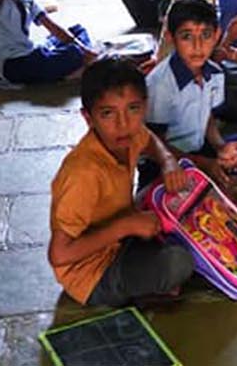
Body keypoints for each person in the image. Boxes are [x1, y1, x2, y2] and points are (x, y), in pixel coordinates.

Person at [48, 58, 195, 307]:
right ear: (88, 118)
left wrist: (168, 160)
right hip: (92, 273)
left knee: (176, 197)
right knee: (178, 262)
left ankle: (148, 268)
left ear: (144, 107)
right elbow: (59, 254)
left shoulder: (130, 134)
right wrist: (125, 227)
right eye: (108, 113)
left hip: (122, 234)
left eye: (133, 109)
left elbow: (149, 140)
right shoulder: (82, 174)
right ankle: (143, 289)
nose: (123, 124)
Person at [145, 0, 237, 209]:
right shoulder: (160, 84)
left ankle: (222, 187)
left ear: (216, 35)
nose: (198, 46)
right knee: (166, 193)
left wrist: (221, 147)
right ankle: (226, 191)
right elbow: (152, 144)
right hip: (169, 161)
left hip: (202, 149)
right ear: (171, 38)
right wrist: (204, 163)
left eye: (205, 35)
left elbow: (208, 118)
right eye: (187, 36)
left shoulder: (214, 73)